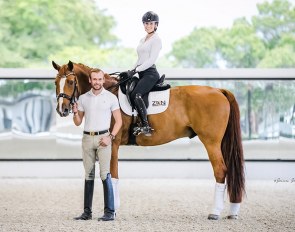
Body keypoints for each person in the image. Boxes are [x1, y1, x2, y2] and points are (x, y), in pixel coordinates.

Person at [72, 68, 122, 221]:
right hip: (87, 138)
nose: (97, 82)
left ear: (103, 80)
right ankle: (87, 213)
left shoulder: (111, 98)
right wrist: (75, 113)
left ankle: (109, 212)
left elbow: (119, 121)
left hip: (104, 139)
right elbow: (78, 122)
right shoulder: (83, 98)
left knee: (105, 174)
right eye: (94, 79)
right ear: (90, 80)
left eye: (100, 79)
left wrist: (110, 137)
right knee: (88, 175)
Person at [128, 11, 162, 136]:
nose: (148, 25)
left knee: (137, 94)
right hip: (141, 72)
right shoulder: (143, 39)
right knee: (130, 92)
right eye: (146, 23)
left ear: (156, 25)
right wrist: (131, 70)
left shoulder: (156, 40)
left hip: (150, 73)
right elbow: (139, 59)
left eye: (150, 23)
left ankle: (145, 125)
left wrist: (136, 70)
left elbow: (151, 60)